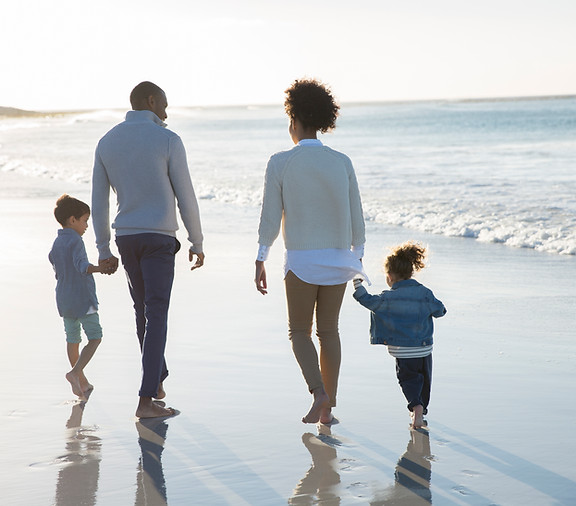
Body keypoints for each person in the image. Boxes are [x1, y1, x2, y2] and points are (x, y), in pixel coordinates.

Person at [255, 78, 367, 424]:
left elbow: (271, 216)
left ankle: (318, 392)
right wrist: (357, 258)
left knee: (299, 332)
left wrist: (261, 256)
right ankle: (328, 410)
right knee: (329, 331)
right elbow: (357, 215)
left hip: (302, 260)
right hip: (339, 260)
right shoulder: (341, 161)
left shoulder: (281, 161)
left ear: (294, 120)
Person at [91, 81, 205, 418]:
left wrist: (102, 247)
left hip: (126, 238)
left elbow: (100, 201)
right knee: (156, 312)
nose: (167, 113)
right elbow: (186, 196)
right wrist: (197, 241)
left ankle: (155, 383)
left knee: (144, 311)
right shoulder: (168, 140)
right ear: (151, 101)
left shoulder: (107, 141)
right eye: (165, 104)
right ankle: (145, 401)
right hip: (157, 239)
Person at [352, 241, 446, 428]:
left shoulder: (387, 297)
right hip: (424, 347)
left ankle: (415, 407)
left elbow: (367, 300)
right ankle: (421, 408)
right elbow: (440, 311)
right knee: (424, 379)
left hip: (402, 350)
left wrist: (357, 283)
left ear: (390, 276)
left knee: (408, 379)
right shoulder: (425, 293)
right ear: (411, 272)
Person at [49, 194, 109, 400]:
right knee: (95, 337)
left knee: (72, 338)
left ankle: (81, 382)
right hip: (83, 299)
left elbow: (54, 264)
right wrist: (100, 268)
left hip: (64, 299)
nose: (86, 226)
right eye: (84, 221)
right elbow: (81, 265)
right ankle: (75, 373)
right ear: (72, 220)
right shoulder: (76, 241)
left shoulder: (57, 242)